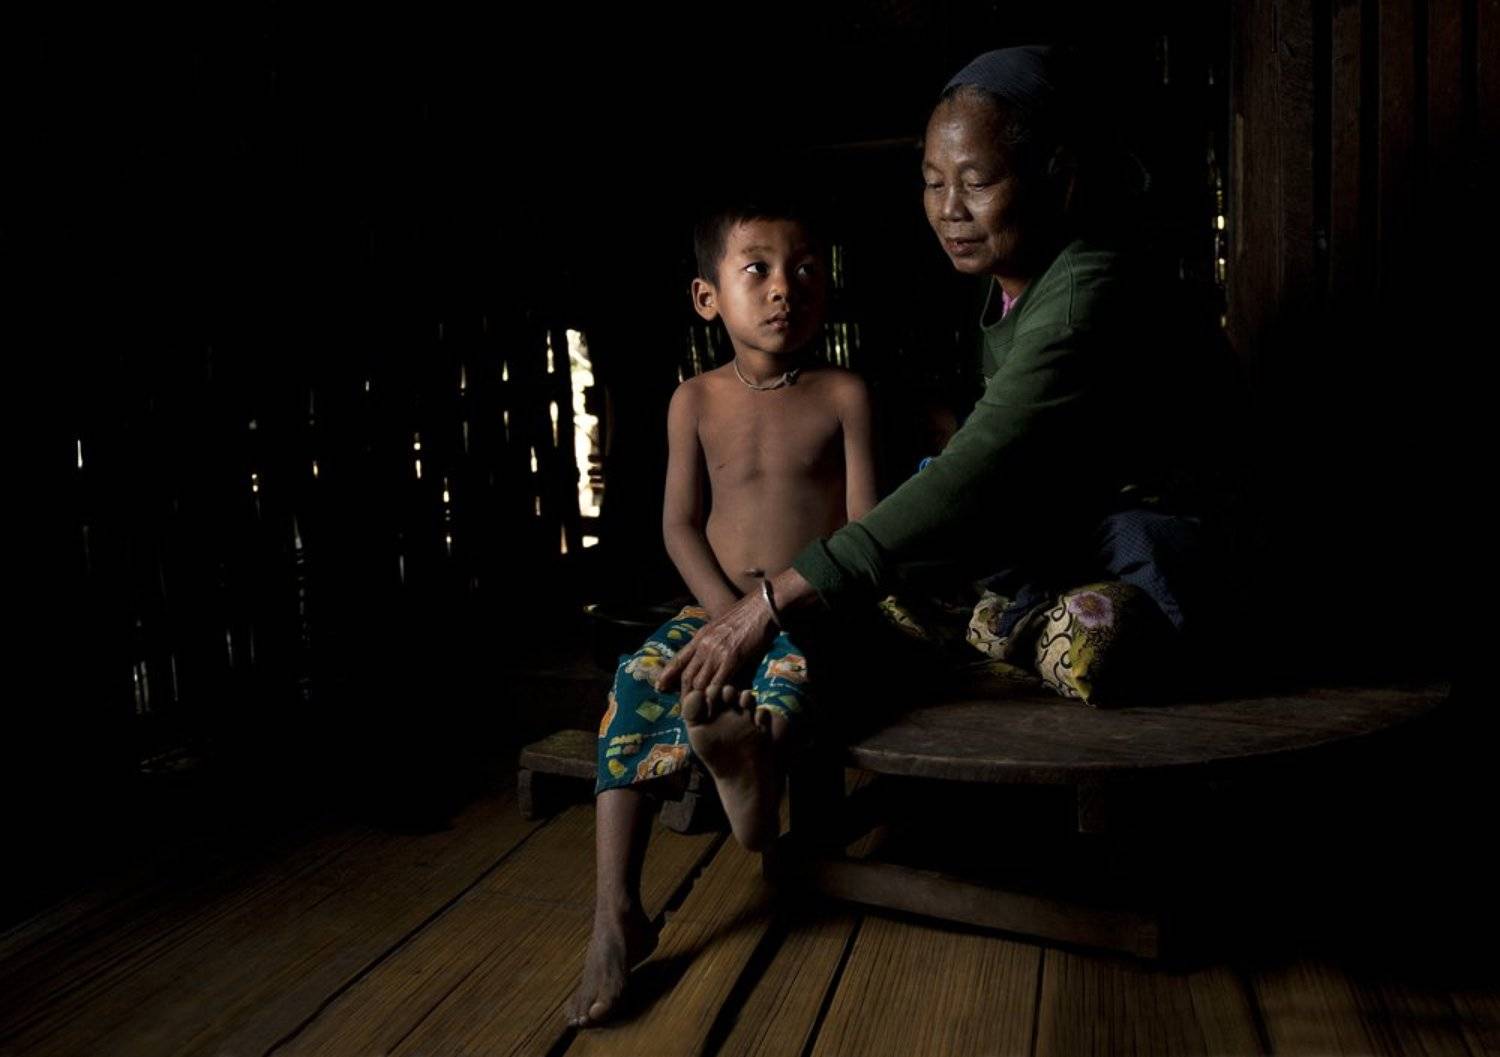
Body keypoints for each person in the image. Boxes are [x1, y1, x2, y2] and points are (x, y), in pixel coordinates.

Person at [660, 45, 1226, 709]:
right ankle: (1020, 620)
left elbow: (983, 464)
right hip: (1073, 524)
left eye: (977, 181)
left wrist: (769, 601)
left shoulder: (1085, 291)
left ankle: (1066, 626)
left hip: (1162, 543)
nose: (950, 208)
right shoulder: (1019, 286)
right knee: (915, 538)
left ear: (1058, 176)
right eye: (934, 181)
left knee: (1066, 604)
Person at [565, 198, 877, 1027]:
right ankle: (614, 911)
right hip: (712, 604)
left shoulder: (845, 393)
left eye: (806, 269)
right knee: (637, 681)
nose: (787, 288)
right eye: (760, 270)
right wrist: (722, 617)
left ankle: (749, 770)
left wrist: (769, 616)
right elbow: (676, 523)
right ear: (708, 298)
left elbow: (867, 531)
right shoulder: (693, 400)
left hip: (812, 606)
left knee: (790, 674)